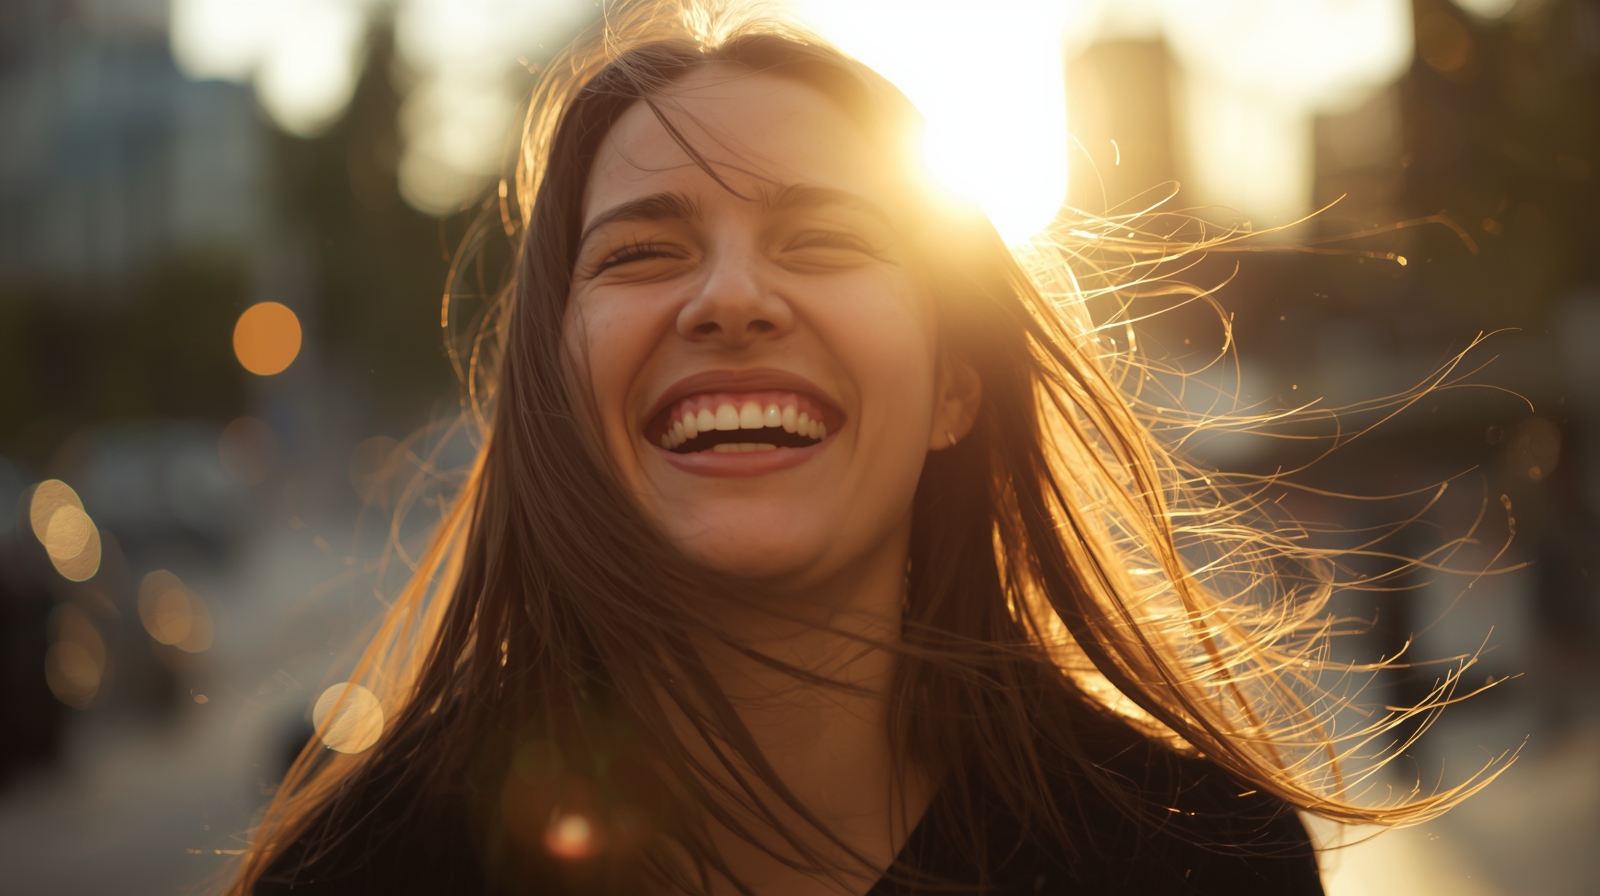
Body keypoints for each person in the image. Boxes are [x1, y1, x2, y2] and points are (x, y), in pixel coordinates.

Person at [232, 3, 1489, 894]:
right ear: (557, 391)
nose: (731, 296)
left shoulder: (1189, 852)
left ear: (952, 386)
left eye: (824, 239)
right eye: (642, 250)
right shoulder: (363, 874)